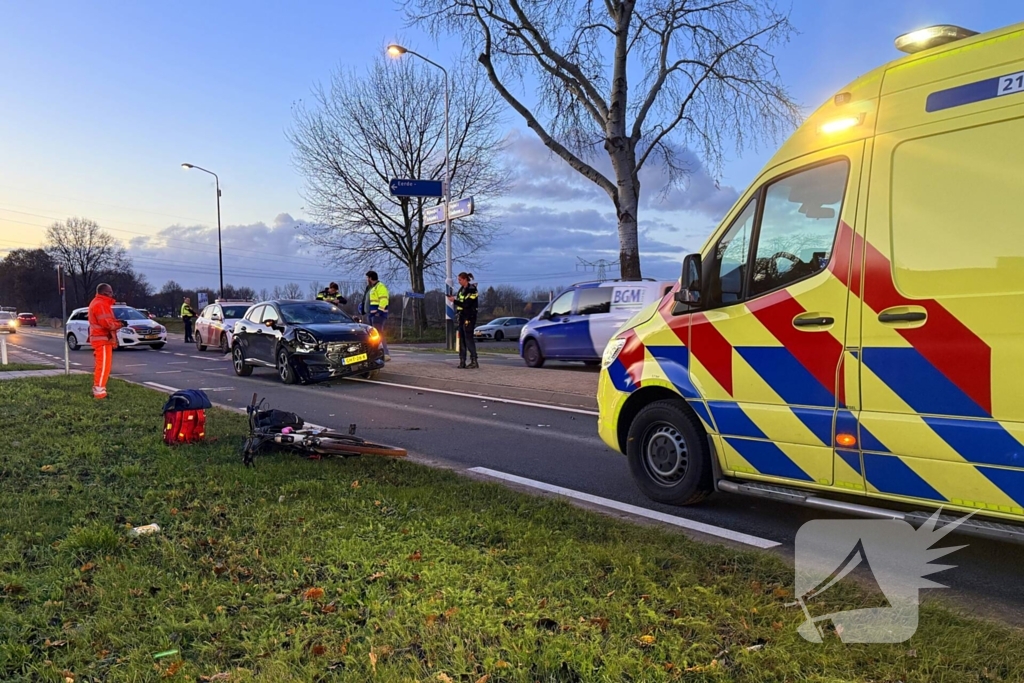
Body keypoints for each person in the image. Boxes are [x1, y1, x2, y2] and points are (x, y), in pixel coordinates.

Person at [88, 283, 125, 400]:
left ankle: (99, 389)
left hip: (102, 339)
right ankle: (99, 392)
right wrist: (120, 324)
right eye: (110, 292)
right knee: (103, 366)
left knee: (102, 365)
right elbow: (107, 323)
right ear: (105, 293)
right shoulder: (101, 304)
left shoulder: (99, 303)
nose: (112, 294)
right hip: (102, 339)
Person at [449, 272, 479, 369]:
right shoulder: (461, 289)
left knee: (468, 339)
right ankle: (462, 361)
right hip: (461, 317)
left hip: (469, 317)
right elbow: (461, 302)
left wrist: (454, 301)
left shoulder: (472, 290)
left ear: (465, 279)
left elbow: (467, 304)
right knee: (462, 340)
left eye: (460, 280)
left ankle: (474, 361)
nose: (459, 282)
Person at [359, 270, 390, 361]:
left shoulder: (380, 287)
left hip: (378, 315)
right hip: (372, 315)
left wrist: (379, 312)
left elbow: (384, 300)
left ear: (370, 278)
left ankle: (385, 353)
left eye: (367, 278)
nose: (366, 280)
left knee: (379, 334)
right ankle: (375, 354)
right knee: (373, 336)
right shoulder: (372, 288)